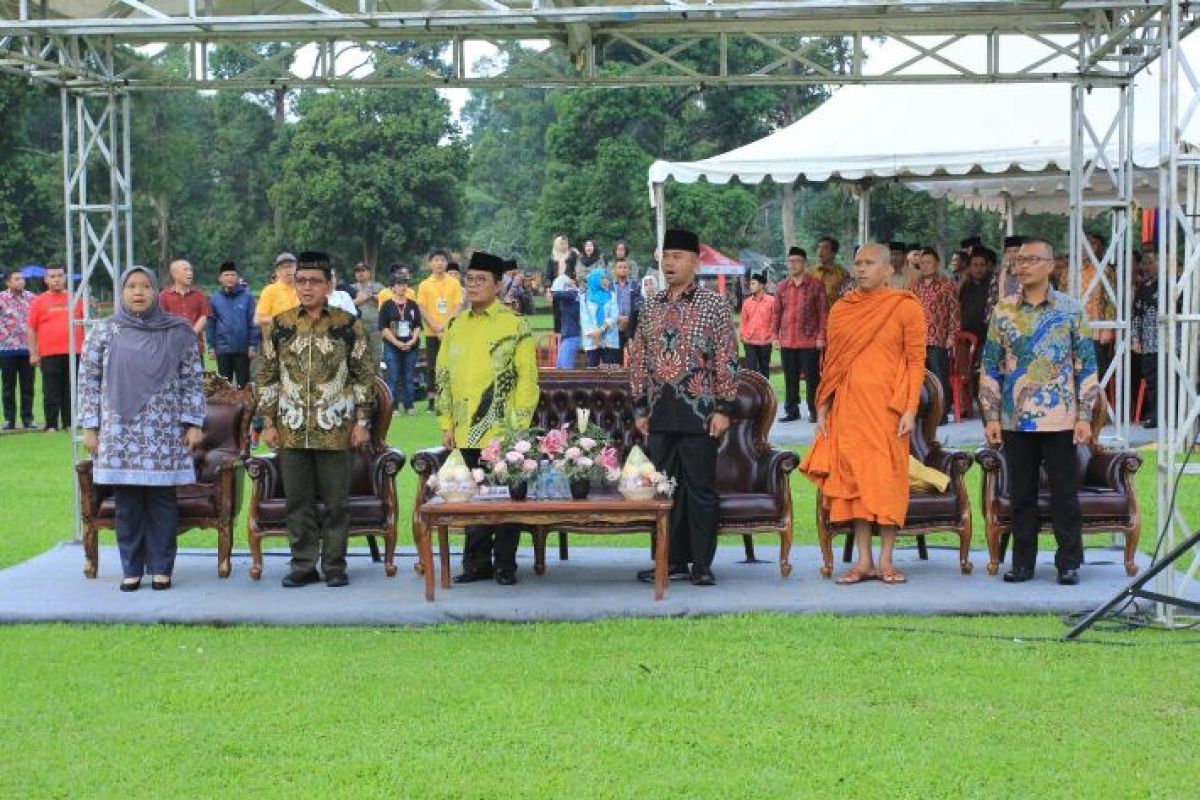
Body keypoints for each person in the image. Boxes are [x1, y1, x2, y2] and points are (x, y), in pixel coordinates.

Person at [799, 242, 926, 586]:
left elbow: (916, 362)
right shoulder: (842, 308)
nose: (861, 269)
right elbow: (833, 363)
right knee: (855, 485)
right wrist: (823, 405)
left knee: (886, 482)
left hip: (889, 410)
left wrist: (910, 408)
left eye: (869, 263)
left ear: (888, 269)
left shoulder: (905, 306)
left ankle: (886, 561)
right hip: (850, 409)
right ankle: (863, 562)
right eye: (857, 263)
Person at [979, 238, 1098, 586]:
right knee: (1021, 494)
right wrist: (991, 417)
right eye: (1019, 260)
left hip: (1061, 418)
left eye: (1032, 260)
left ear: (1051, 265)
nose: (1023, 266)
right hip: (1016, 419)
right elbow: (990, 366)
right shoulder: (1003, 310)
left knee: (1064, 494)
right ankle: (1022, 564)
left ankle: (1068, 562)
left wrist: (1085, 416)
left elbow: (1086, 366)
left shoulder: (1071, 310)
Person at [78, 266, 204, 592]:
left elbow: (192, 379)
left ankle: (162, 569)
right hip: (119, 433)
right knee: (128, 504)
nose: (138, 292)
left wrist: (193, 423)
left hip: (164, 432)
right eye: (131, 286)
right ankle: (131, 568)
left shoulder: (178, 331)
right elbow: (88, 382)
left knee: (163, 502)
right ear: (122, 292)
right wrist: (90, 428)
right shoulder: (104, 330)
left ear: (155, 292)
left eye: (145, 286)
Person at [256, 251, 374, 589]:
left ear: (328, 285)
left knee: (337, 502)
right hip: (291, 426)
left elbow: (363, 375)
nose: (307, 287)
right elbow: (267, 375)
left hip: (336, 426)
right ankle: (303, 564)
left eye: (315, 281)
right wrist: (268, 421)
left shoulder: (347, 324)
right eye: (301, 281)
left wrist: (362, 422)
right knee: (298, 502)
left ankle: (334, 565)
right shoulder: (280, 324)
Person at [630, 228, 738, 587]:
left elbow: (727, 357)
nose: (669, 262)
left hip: (701, 412)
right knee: (663, 490)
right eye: (665, 256)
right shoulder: (649, 306)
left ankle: (702, 564)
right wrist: (639, 409)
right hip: (660, 413)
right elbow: (639, 360)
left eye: (677, 256)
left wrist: (723, 407)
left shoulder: (714, 304)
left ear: (695, 261)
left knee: (700, 490)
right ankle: (669, 561)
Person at [439, 251, 540, 586]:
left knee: (506, 499)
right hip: (465, 427)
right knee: (473, 498)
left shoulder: (515, 325)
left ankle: (505, 565)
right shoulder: (456, 324)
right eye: (469, 280)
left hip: (504, 428)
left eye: (481, 280)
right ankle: (476, 563)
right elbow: (443, 375)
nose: (473, 285)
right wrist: (446, 423)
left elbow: (527, 378)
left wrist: (520, 426)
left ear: (498, 286)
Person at [773, 246, 828, 423]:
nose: (793, 264)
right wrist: (774, 336)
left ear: (805, 263)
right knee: (790, 377)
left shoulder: (816, 285)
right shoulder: (781, 287)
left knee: (813, 379)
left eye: (797, 261)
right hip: (787, 340)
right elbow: (776, 313)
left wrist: (821, 336)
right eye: (790, 261)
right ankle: (791, 411)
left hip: (810, 341)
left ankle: (814, 410)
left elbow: (823, 313)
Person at [27, 264, 84, 432]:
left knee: (71, 389)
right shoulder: (39, 301)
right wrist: (33, 353)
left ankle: (69, 423)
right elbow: (31, 328)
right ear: (46, 279)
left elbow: (84, 323)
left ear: (65, 277)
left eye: (59, 275)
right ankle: (51, 424)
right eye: (52, 276)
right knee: (51, 390)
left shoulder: (76, 298)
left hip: (75, 351)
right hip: (49, 353)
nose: (56, 279)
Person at [911, 247, 960, 425]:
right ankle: (923, 413)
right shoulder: (913, 286)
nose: (925, 266)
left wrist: (951, 337)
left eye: (929, 262)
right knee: (918, 377)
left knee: (938, 376)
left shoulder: (946, 286)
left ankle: (941, 413)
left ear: (937, 264)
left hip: (938, 338)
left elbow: (954, 313)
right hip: (916, 339)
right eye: (922, 263)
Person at [416, 249, 464, 413]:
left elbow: (458, 305)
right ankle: (431, 401)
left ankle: (450, 399)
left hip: (450, 332)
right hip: (431, 332)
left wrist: (444, 326)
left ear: (446, 263)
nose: (439, 263)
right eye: (436, 260)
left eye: (442, 260)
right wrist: (435, 326)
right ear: (430, 264)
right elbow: (421, 307)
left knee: (451, 366)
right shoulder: (424, 285)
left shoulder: (454, 283)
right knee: (432, 367)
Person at [206, 261, 259, 388]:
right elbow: (211, 323)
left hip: (243, 349)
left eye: (232, 275)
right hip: (222, 349)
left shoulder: (248, 297)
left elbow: (254, 322)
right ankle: (226, 408)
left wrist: (253, 345)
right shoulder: (215, 299)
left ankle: (244, 408)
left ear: (237, 277)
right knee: (224, 386)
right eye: (226, 275)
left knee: (243, 386)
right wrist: (211, 347)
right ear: (220, 278)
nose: (230, 278)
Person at [379, 267, 423, 416]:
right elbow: (383, 328)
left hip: (411, 345)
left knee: (409, 375)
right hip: (392, 345)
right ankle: (393, 407)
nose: (402, 287)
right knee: (393, 376)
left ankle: (409, 405)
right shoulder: (387, 305)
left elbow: (417, 325)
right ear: (392, 287)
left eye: (405, 284)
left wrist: (412, 340)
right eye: (399, 284)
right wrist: (397, 343)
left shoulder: (412, 304)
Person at [1079, 232, 1117, 393]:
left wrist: (1108, 327)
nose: (1087, 248)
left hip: (1097, 330)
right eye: (1085, 244)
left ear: (1101, 249)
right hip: (1074, 329)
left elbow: (1112, 300)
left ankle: (1096, 409)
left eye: (1093, 244)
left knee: (1096, 372)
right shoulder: (1071, 271)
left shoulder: (1105, 271)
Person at [0, 269, 36, 430]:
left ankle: (28, 418)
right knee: (8, 386)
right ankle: (9, 419)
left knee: (28, 386)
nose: (20, 281)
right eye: (16, 279)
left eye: (22, 279)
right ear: (8, 282)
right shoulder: (2, 299)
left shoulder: (32, 298)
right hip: (7, 349)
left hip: (28, 349)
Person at [1131, 247, 1159, 429]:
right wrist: (1135, 339)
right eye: (1145, 263)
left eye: (1151, 262)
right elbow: (1136, 315)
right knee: (1152, 380)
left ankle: (1176, 415)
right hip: (1150, 343)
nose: (1147, 267)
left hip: (1176, 345)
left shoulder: (1180, 284)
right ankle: (1155, 415)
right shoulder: (1145, 289)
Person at [159, 259, 211, 349]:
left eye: (191, 270)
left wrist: (192, 333)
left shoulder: (199, 294)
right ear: (174, 274)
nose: (190, 273)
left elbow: (204, 316)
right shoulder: (163, 296)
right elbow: (160, 319)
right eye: (185, 270)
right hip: (172, 347)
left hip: (195, 345)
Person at [580, 269, 621, 367]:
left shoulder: (612, 296)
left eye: (607, 278)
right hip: (592, 339)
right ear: (595, 279)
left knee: (610, 372)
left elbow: (614, 316)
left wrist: (601, 330)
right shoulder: (584, 297)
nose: (605, 281)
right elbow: (585, 319)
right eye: (602, 278)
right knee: (592, 371)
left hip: (609, 339)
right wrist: (595, 335)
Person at [739, 271, 776, 379]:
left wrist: (772, 337)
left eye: (753, 283)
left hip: (765, 340)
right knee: (751, 370)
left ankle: (764, 394)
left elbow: (775, 320)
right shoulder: (747, 302)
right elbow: (743, 321)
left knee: (764, 370)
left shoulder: (772, 301)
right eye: (751, 284)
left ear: (761, 285)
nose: (751, 286)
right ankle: (753, 395)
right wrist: (742, 335)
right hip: (749, 340)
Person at [255, 252, 300, 338]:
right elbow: (258, 319)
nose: (288, 270)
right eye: (284, 267)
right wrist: (279, 320)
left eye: (291, 266)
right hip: (278, 341)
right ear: (277, 272)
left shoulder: (304, 289)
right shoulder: (270, 291)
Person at [352, 261, 384, 373]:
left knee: (376, 358)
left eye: (363, 270)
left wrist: (372, 296)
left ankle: (379, 387)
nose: (360, 273)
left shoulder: (378, 286)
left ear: (369, 273)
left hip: (375, 328)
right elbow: (345, 304)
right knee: (359, 357)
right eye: (357, 271)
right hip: (357, 328)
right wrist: (359, 300)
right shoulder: (351, 288)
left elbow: (387, 300)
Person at [810, 235, 853, 309]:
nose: (820, 251)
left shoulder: (842, 274)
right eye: (819, 247)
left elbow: (847, 299)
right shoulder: (810, 273)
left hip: (834, 316)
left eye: (825, 248)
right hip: (814, 318)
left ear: (833, 253)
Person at [551, 270, 582, 369]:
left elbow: (555, 293)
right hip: (568, 336)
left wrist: (564, 282)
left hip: (571, 337)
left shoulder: (572, 294)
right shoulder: (572, 295)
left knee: (565, 371)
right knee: (560, 367)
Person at [611, 257, 641, 354]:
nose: (622, 269)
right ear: (615, 270)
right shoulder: (610, 286)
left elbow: (638, 306)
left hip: (632, 325)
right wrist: (618, 318)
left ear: (629, 270)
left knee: (633, 356)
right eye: (619, 267)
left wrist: (629, 319)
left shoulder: (635, 286)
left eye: (625, 267)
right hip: (615, 325)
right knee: (615, 357)